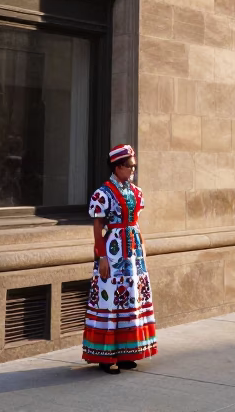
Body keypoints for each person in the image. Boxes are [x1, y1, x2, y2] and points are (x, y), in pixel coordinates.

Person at [82, 144, 157, 374]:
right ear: (117, 167)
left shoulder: (136, 192)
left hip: (133, 252)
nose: (133, 170)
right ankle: (106, 357)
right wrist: (101, 255)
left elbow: (136, 222)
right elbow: (98, 227)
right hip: (113, 253)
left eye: (134, 166)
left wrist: (143, 243)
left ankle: (127, 353)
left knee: (132, 299)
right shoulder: (102, 194)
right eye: (130, 166)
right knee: (111, 300)